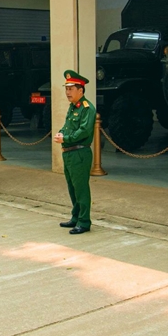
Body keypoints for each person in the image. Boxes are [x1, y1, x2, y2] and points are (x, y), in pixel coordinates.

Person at [54, 70, 96, 235]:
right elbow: (67, 126)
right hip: (69, 152)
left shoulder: (87, 108)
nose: (68, 92)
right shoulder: (73, 107)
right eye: (66, 89)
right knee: (72, 187)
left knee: (81, 188)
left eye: (71, 89)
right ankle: (76, 216)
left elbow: (84, 131)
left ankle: (84, 221)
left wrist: (66, 138)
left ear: (81, 90)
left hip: (80, 153)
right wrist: (61, 133)